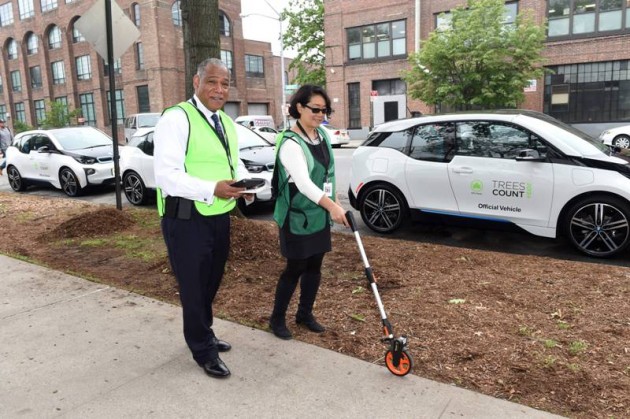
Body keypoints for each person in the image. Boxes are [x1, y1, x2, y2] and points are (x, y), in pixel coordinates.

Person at [153, 58, 250, 379]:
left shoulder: (225, 121)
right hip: (186, 219)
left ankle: (203, 331)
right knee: (193, 287)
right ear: (196, 82)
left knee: (210, 282)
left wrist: (244, 186)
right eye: (212, 81)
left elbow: (232, 165)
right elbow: (167, 176)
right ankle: (202, 348)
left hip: (218, 215)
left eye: (224, 83)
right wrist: (212, 188)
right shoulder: (176, 119)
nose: (219, 89)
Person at [269, 85, 349, 340]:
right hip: (296, 215)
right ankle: (277, 319)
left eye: (324, 110)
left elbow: (327, 174)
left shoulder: (322, 136)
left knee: (315, 266)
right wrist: (332, 207)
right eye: (315, 109)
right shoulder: (290, 143)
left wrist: (336, 201)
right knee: (295, 268)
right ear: (300, 108)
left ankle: (304, 314)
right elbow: (303, 184)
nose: (320, 115)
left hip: (317, 214)